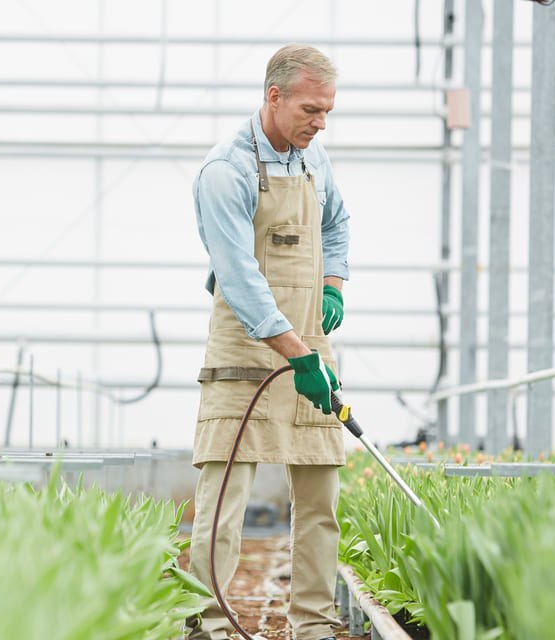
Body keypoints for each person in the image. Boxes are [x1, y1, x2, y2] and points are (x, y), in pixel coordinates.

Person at [186, 44, 350, 640]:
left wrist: (331, 285)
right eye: (311, 109)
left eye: (328, 111)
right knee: (224, 502)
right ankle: (212, 626)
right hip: (245, 351)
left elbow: (336, 223)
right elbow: (241, 279)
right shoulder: (225, 171)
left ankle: (314, 625)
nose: (320, 122)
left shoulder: (314, 161)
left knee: (320, 498)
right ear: (274, 98)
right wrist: (297, 353)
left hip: (309, 341)